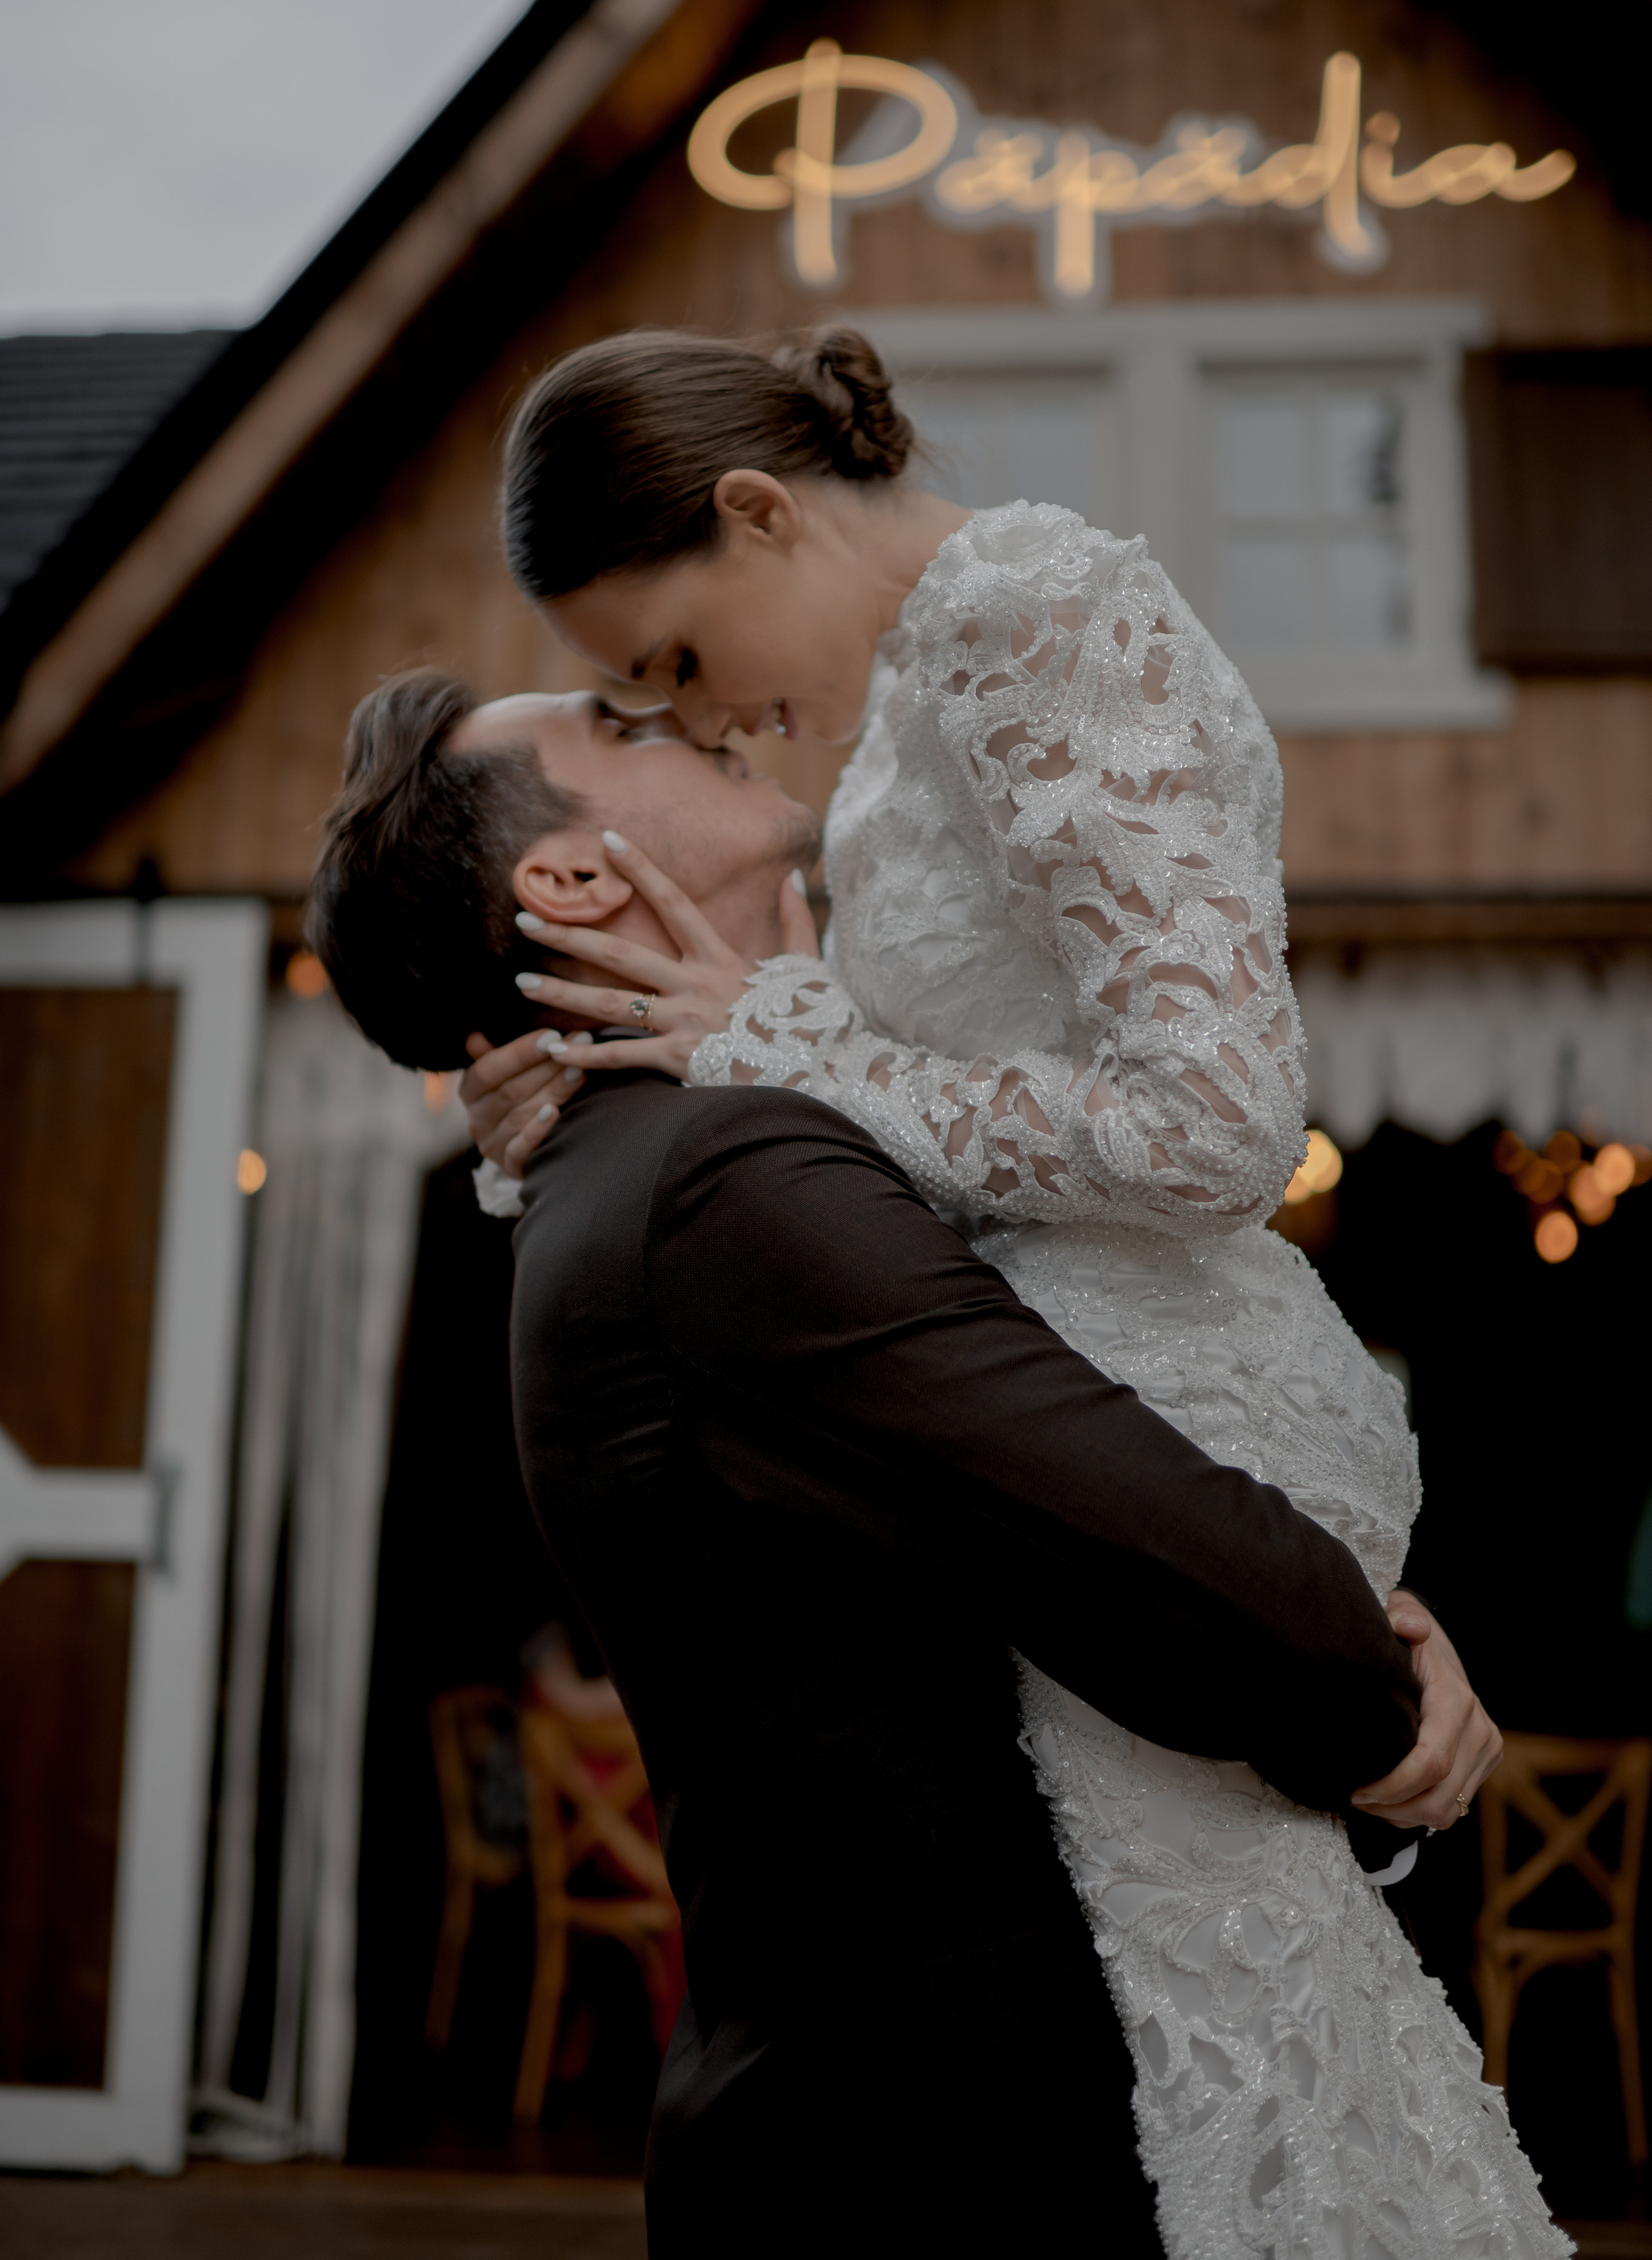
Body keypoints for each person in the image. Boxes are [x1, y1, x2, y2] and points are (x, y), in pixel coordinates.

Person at [459, 325, 1567, 2255]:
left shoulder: (1037, 614)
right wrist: (579, 1073)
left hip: (1160, 1393)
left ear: (759, 512)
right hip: (1050, 1426)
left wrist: (788, 1033)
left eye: (682, 669)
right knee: (1183, 2063)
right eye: (649, 707)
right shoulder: (902, 717)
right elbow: (840, 1073)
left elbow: (1220, 1124)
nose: (708, 727)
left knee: (1224, 2063)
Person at [309, 669, 1497, 2255]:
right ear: (568, 879)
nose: (682, 705)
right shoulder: (715, 1177)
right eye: (616, 722)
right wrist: (1369, 1675)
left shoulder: (641, 1161)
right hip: (941, 2149)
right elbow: (1107, 1522)